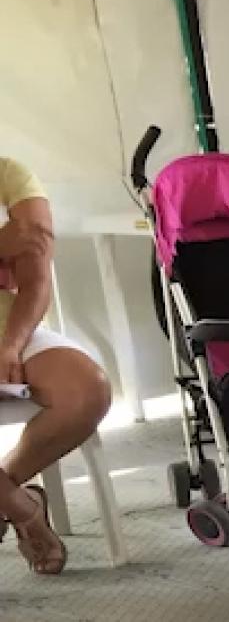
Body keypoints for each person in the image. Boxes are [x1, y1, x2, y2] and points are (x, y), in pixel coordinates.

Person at [0, 156, 112, 575]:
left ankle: (7, 485)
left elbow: (36, 271)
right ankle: (22, 509)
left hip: (8, 324)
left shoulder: (8, 174)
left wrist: (11, 345)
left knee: (86, 390)